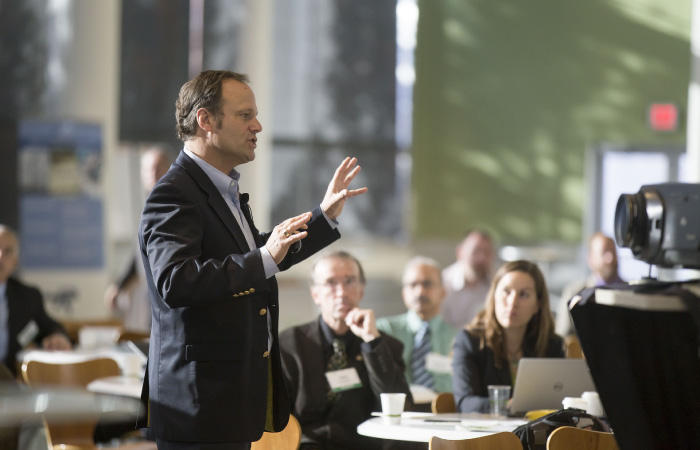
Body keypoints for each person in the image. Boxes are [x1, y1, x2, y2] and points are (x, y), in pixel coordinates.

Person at [138, 70, 367, 450]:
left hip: (227, 403)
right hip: (197, 409)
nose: (257, 126)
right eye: (245, 115)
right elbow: (175, 281)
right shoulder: (174, 193)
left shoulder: (221, 187)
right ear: (206, 120)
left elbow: (259, 254)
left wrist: (322, 217)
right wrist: (263, 258)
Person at [279, 251, 412, 450]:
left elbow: (400, 408)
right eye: (331, 282)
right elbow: (277, 417)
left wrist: (372, 343)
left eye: (349, 281)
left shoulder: (385, 346)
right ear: (315, 293)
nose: (341, 292)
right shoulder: (290, 344)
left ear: (361, 289)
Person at [452, 260, 564, 414]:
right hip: (486, 436)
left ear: (537, 305)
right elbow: (466, 403)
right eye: (506, 291)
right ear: (494, 296)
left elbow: (561, 401)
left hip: (537, 435)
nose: (512, 302)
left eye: (523, 294)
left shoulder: (552, 345)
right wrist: (508, 406)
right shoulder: (470, 341)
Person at [104, 145, 172, 332]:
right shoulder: (149, 203)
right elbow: (138, 251)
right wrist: (119, 285)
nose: (152, 173)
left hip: (168, 289)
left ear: (169, 168)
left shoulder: (174, 202)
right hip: (148, 295)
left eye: (157, 167)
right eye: (148, 169)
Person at [376, 256, 457, 394]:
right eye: (413, 285)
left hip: (446, 411)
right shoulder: (384, 330)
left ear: (442, 291)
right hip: (399, 410)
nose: (420, 291)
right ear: (403, 293)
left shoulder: (457, 338)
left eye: (427, 284)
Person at [0, 225, 71, 375]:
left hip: (10, 383)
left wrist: (57, 336)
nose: (0, 256)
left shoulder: (27, 296)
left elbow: (49, 326)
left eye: (7, 251)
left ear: (15, 261)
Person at [555, 232, 624, 338]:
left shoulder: (631, 294)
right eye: (604, 252)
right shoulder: (574, 292)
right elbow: (562, 335)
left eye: (612, 252)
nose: (610, 258)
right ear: (591, 259)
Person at [440, 230, 495, 329]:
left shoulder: (498, 284)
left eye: (487, 252)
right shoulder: (443, 282)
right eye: (476, 251)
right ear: (460, 252)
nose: (482, 258)